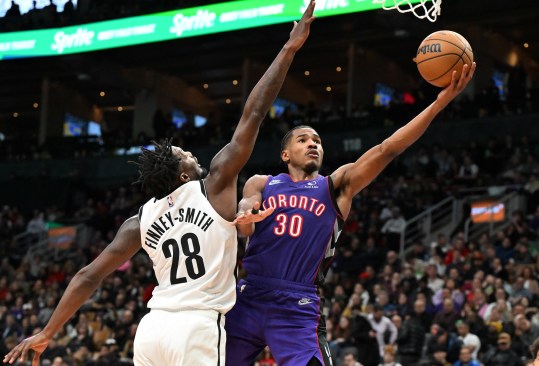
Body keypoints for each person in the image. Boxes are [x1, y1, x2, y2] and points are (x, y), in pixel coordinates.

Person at [2, 2, 316, 365]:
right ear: (183, 174)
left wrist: (47, 332)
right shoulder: (213, 187)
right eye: (186, 155)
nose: (193, 155)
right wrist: (289, 48)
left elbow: (89, 275)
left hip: (152, 331)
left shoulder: (140, 220)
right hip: (198, 325)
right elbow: (254, 112)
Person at [227, 51, 476, 365]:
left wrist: (440, 102)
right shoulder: (262, 182)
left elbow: (388, 149)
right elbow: (245, 215)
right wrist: (245, 216)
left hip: (298, 302)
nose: (313, 143)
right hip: (249, 294)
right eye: (303, 139)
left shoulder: (335, 185)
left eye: (317, 140)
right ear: (286, 154)